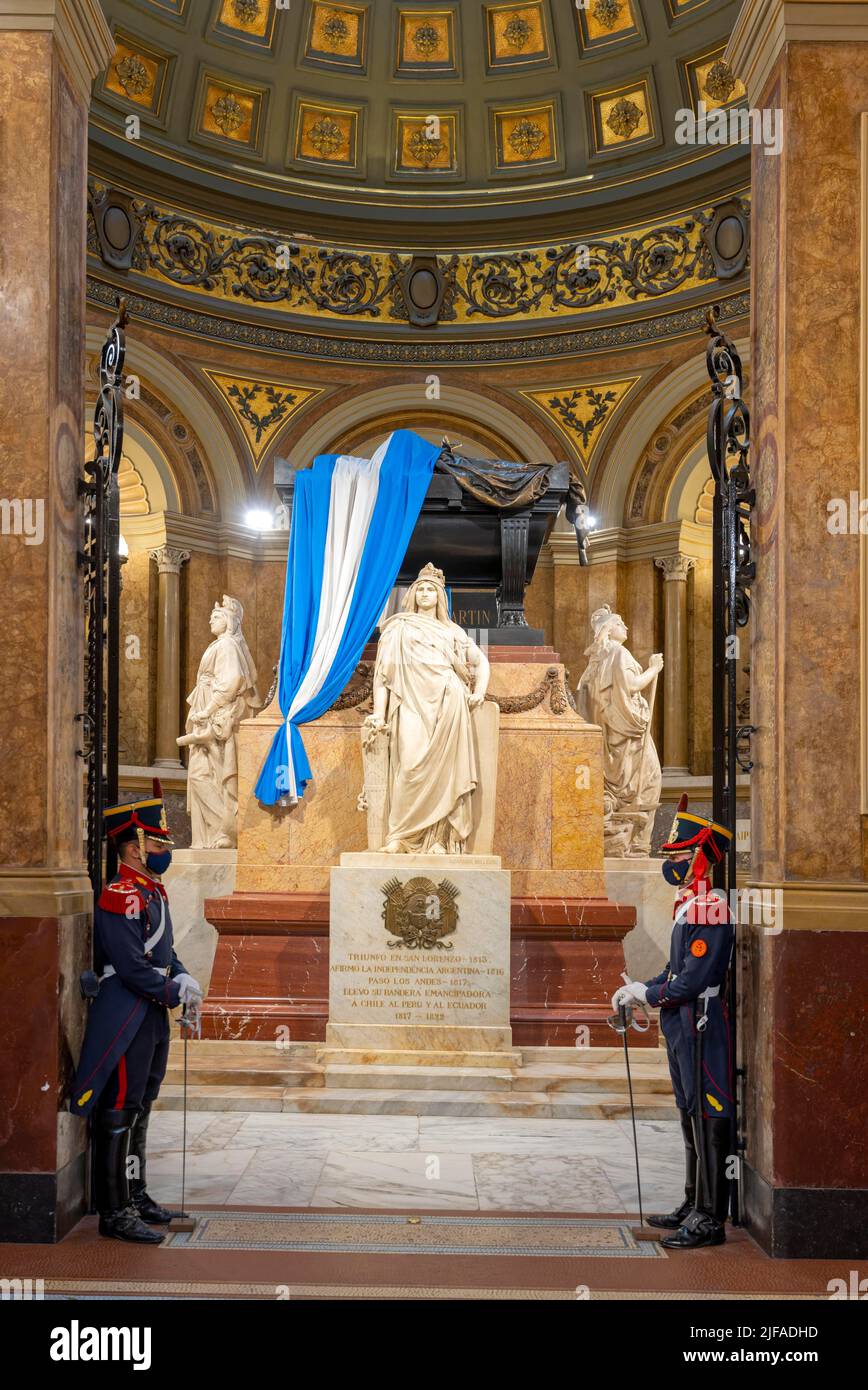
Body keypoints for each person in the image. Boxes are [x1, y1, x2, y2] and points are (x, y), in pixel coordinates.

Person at [71, 781, 204, 1243]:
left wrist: (182, 976)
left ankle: (136, 1190)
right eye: (158, 842)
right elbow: (129, 966)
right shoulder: (121, 894)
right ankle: (115, 1211)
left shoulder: (151, 891)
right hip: (127, 1009)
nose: (165, 849)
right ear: (134, 847)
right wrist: (172, 991)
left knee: (143, 1103)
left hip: (151, 1011)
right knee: (121, 1107)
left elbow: (163, 951)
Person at [613, 795, 734, 1249]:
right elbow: (674, 970)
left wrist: (651, 994)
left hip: (702, 1022)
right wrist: (641, 985)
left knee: (709, 1111)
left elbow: (694, 979)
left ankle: (710, 1216)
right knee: (688, 1108)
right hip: (682, 1022)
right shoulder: (690, 904)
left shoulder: (712, 907)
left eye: (679, 856)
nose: (673, 863)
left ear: (699, 857)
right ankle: (692, 1199)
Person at [364, 562, 489, 854]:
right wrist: (379, 714)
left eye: (430, 589)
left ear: (439, 597)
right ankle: (400, 836)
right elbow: (383, 675)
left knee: (446, 773)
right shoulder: (398, 627)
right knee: (408, 765)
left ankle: (439, 840)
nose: (424, 593)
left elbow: (481, 662)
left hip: (448, 702)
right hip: (410, 701)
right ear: (412, 595)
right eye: (419, 588)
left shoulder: (452, 631)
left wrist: (479, 692)